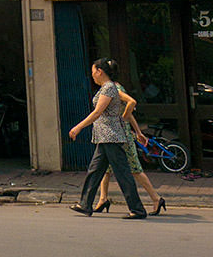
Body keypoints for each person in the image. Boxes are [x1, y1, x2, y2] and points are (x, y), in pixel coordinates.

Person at [68, 57, 148, 219]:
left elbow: (97, 112)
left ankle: (137, 209)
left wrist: (78, 127)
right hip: (104, 137)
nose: (92, 76)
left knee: (122, 174)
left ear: (100, 71)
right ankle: (85, 204)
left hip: (111, 137)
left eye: (93, 72)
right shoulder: (106, 88)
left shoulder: (109, 88)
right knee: (95, 171)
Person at [94, 78, 166, 216]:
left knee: (134, 168)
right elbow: (128, 110)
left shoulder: (114, 89)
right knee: (106, 169)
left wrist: (124, 119)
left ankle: (156, 198)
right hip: (112, 135)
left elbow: (130, 104)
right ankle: (103, 199)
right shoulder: (111, 88)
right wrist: (138, 131)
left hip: (121, 135)